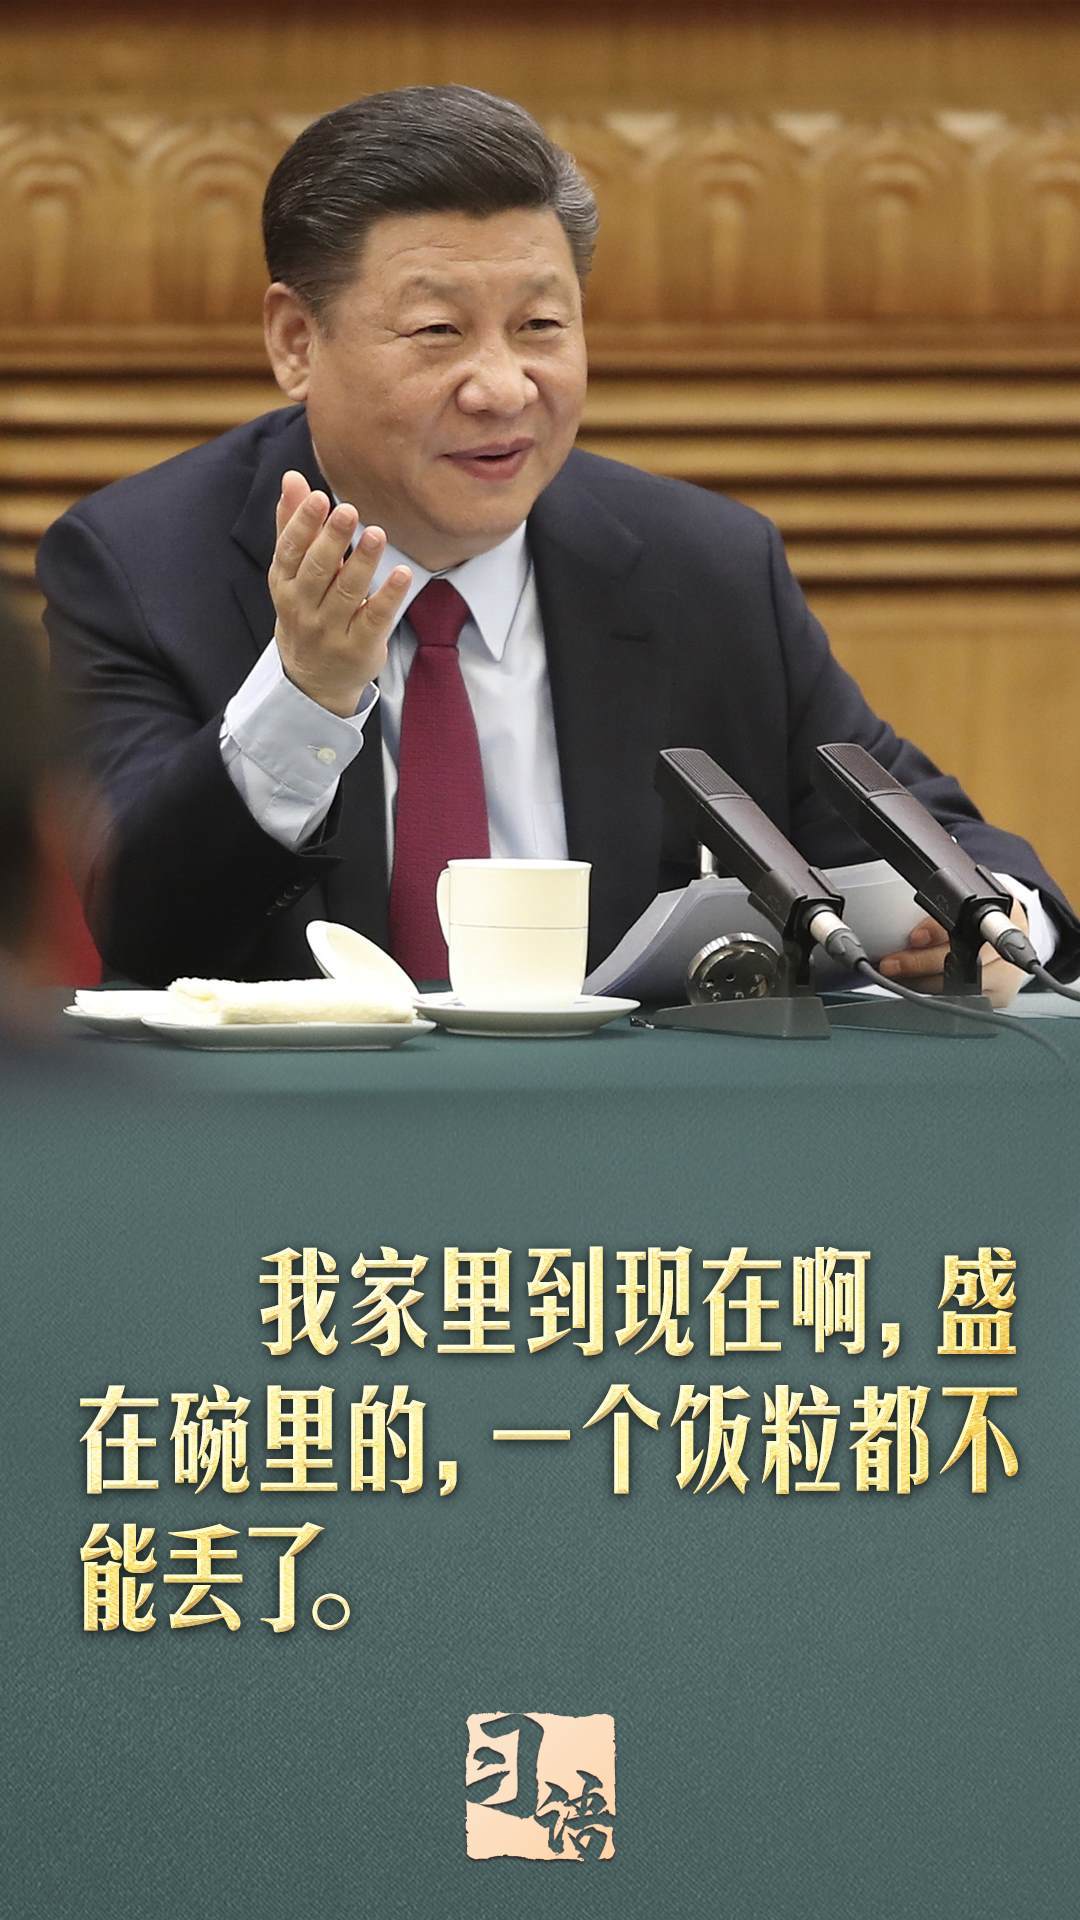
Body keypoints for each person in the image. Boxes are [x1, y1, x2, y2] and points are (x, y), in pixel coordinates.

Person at [39, 85, 1080, 999]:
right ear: (295, 341)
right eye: (439, 332)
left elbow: (933, 837)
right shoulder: (142, 566)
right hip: (287, 1148)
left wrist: (997, 926)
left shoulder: (703, 569)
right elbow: (136, 927)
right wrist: (302, 698)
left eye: (541, 327)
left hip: (631, 1148)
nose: (504, 389)